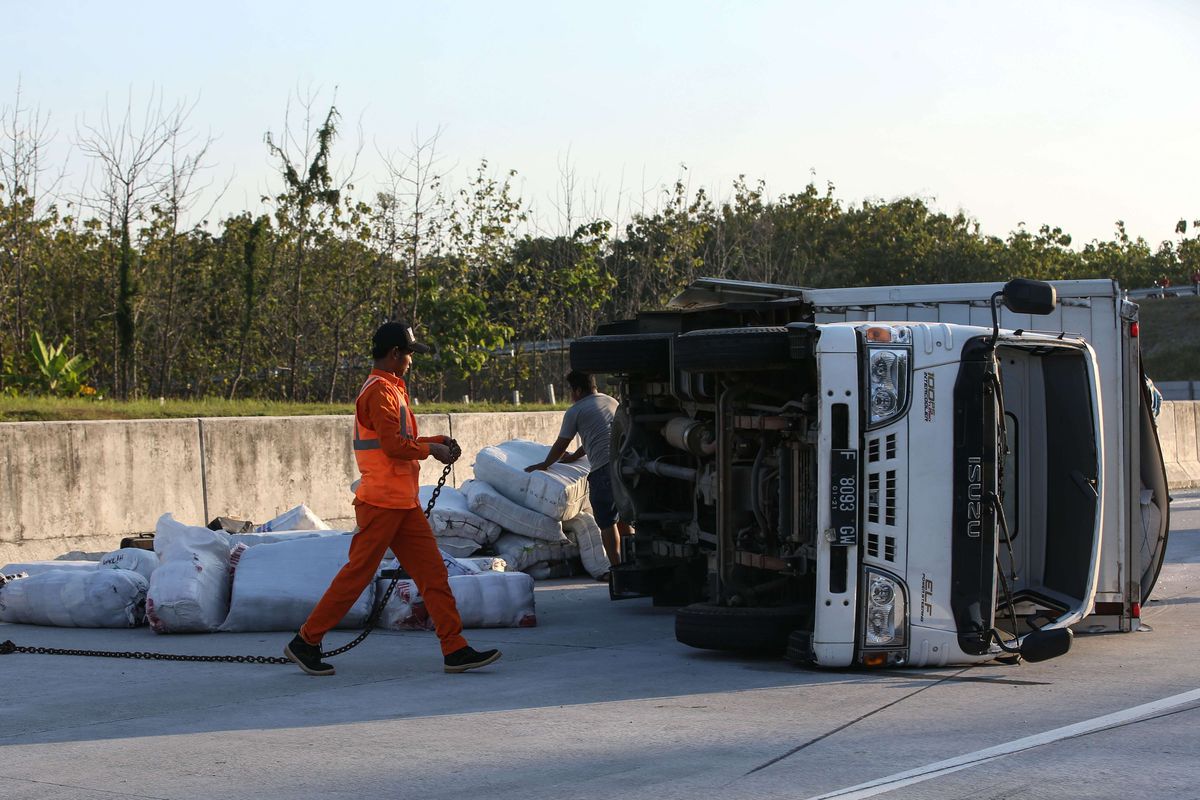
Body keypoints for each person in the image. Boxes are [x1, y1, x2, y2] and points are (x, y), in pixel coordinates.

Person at [284, 321, 501, 676]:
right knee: (356, 576)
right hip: (382, 504)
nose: (412, 362)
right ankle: (306, 641)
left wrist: (434, 441)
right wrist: (430, 449)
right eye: (410, 355)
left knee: (433, 575)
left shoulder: (391, 390)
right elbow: (392, 446)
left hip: (401, 504)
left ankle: (455, 648)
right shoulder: (380, 392)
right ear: (395, 354)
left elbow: (398, 440)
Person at [525, 370, 630, 574]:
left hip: (603, 472)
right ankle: (633, 564)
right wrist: (574, 457)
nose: (571, 395)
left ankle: (618, 571)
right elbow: (599, 434)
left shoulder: (576, 410)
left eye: (572, 391)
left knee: (608, 523)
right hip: (625, 466)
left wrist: (545, 464)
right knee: (625, 516)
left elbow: (561, 444)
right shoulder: (611, 401)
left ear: (579, 390)